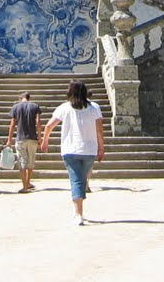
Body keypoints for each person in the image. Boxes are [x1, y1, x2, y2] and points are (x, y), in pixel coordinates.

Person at [40, 80, 104, 225]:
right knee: (80, 180)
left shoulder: (64, 108)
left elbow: (49, 126)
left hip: (70, 150)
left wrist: (45, 141)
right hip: (89, 150)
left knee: (76, 181)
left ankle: (78, 214)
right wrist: (101, 148)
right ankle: (79, 211)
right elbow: (99, 130)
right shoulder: (94, 108)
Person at [6, 91, 42, 193]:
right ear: (28, 98)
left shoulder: (16, 107)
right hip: (32, 137)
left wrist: (9, 139)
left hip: (20, 138)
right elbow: (38, 122)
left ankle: (25, 186)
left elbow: (12, 124)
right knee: (30, 162)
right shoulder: (35, 106)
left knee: (22, 162)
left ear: (20, 99)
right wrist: (40, 137)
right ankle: (28, 182)